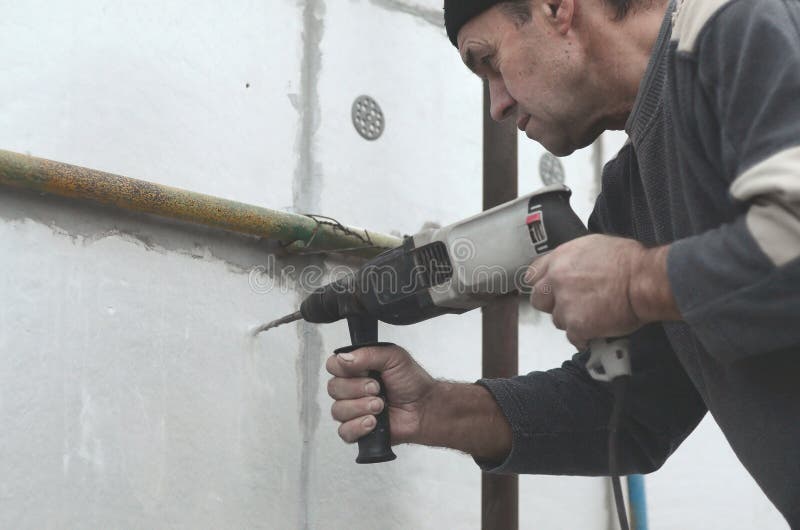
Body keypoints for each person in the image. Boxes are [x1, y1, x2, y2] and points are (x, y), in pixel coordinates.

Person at [325, 0, 800, 524]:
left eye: (489, 62)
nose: (497, 106)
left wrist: (635, 282)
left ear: (556, 8)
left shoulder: (739, 24)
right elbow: (632, 414)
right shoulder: (631, 196)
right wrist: (436, 408)